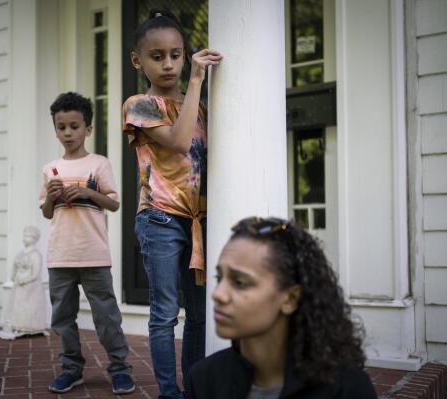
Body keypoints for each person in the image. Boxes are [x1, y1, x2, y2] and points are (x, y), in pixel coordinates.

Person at [122, 9, 222, 399]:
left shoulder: (200, 104)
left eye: (176, 55)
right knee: (165, 314)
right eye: (157, 56)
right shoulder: (140, 105)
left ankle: (193, 388)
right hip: (160, 218)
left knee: (198, 315)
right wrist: (197, 78)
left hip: (198, 220)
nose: (169, 64)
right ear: (138, 60)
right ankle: (169, 392)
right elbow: (181, 142)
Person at [185, 217, 378, 399]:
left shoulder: (345, 388)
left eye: (240, 282)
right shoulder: (203, 381)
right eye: (219, 278)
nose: (217, 293)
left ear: (290, 298)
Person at [40, 92, 135, 395]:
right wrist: (53, 197)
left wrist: (87, 194)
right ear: (55, 129)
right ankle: (71, 369)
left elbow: (114, 203)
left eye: (74, 126)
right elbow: (46, 212)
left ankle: (120, 369)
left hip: (93, 254)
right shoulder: (50, 169)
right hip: (60, 255)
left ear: (88, 129)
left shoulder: (99, 164)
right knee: (63, 319)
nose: (68, 133)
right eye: (61, 127)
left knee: (106, 317)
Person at [0, 225, 47, 340]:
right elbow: (15, 266)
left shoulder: (36, 255)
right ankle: (17, 324)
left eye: (28, 236)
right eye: (24, 236)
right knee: (18, 304)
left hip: (31, 286)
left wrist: (25, 280)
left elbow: (35, 273)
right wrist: (13, 275)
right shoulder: (21, 253)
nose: (25, 238)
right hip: (19, 284)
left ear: (35, 239)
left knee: (29, 305)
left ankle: (29, 326)